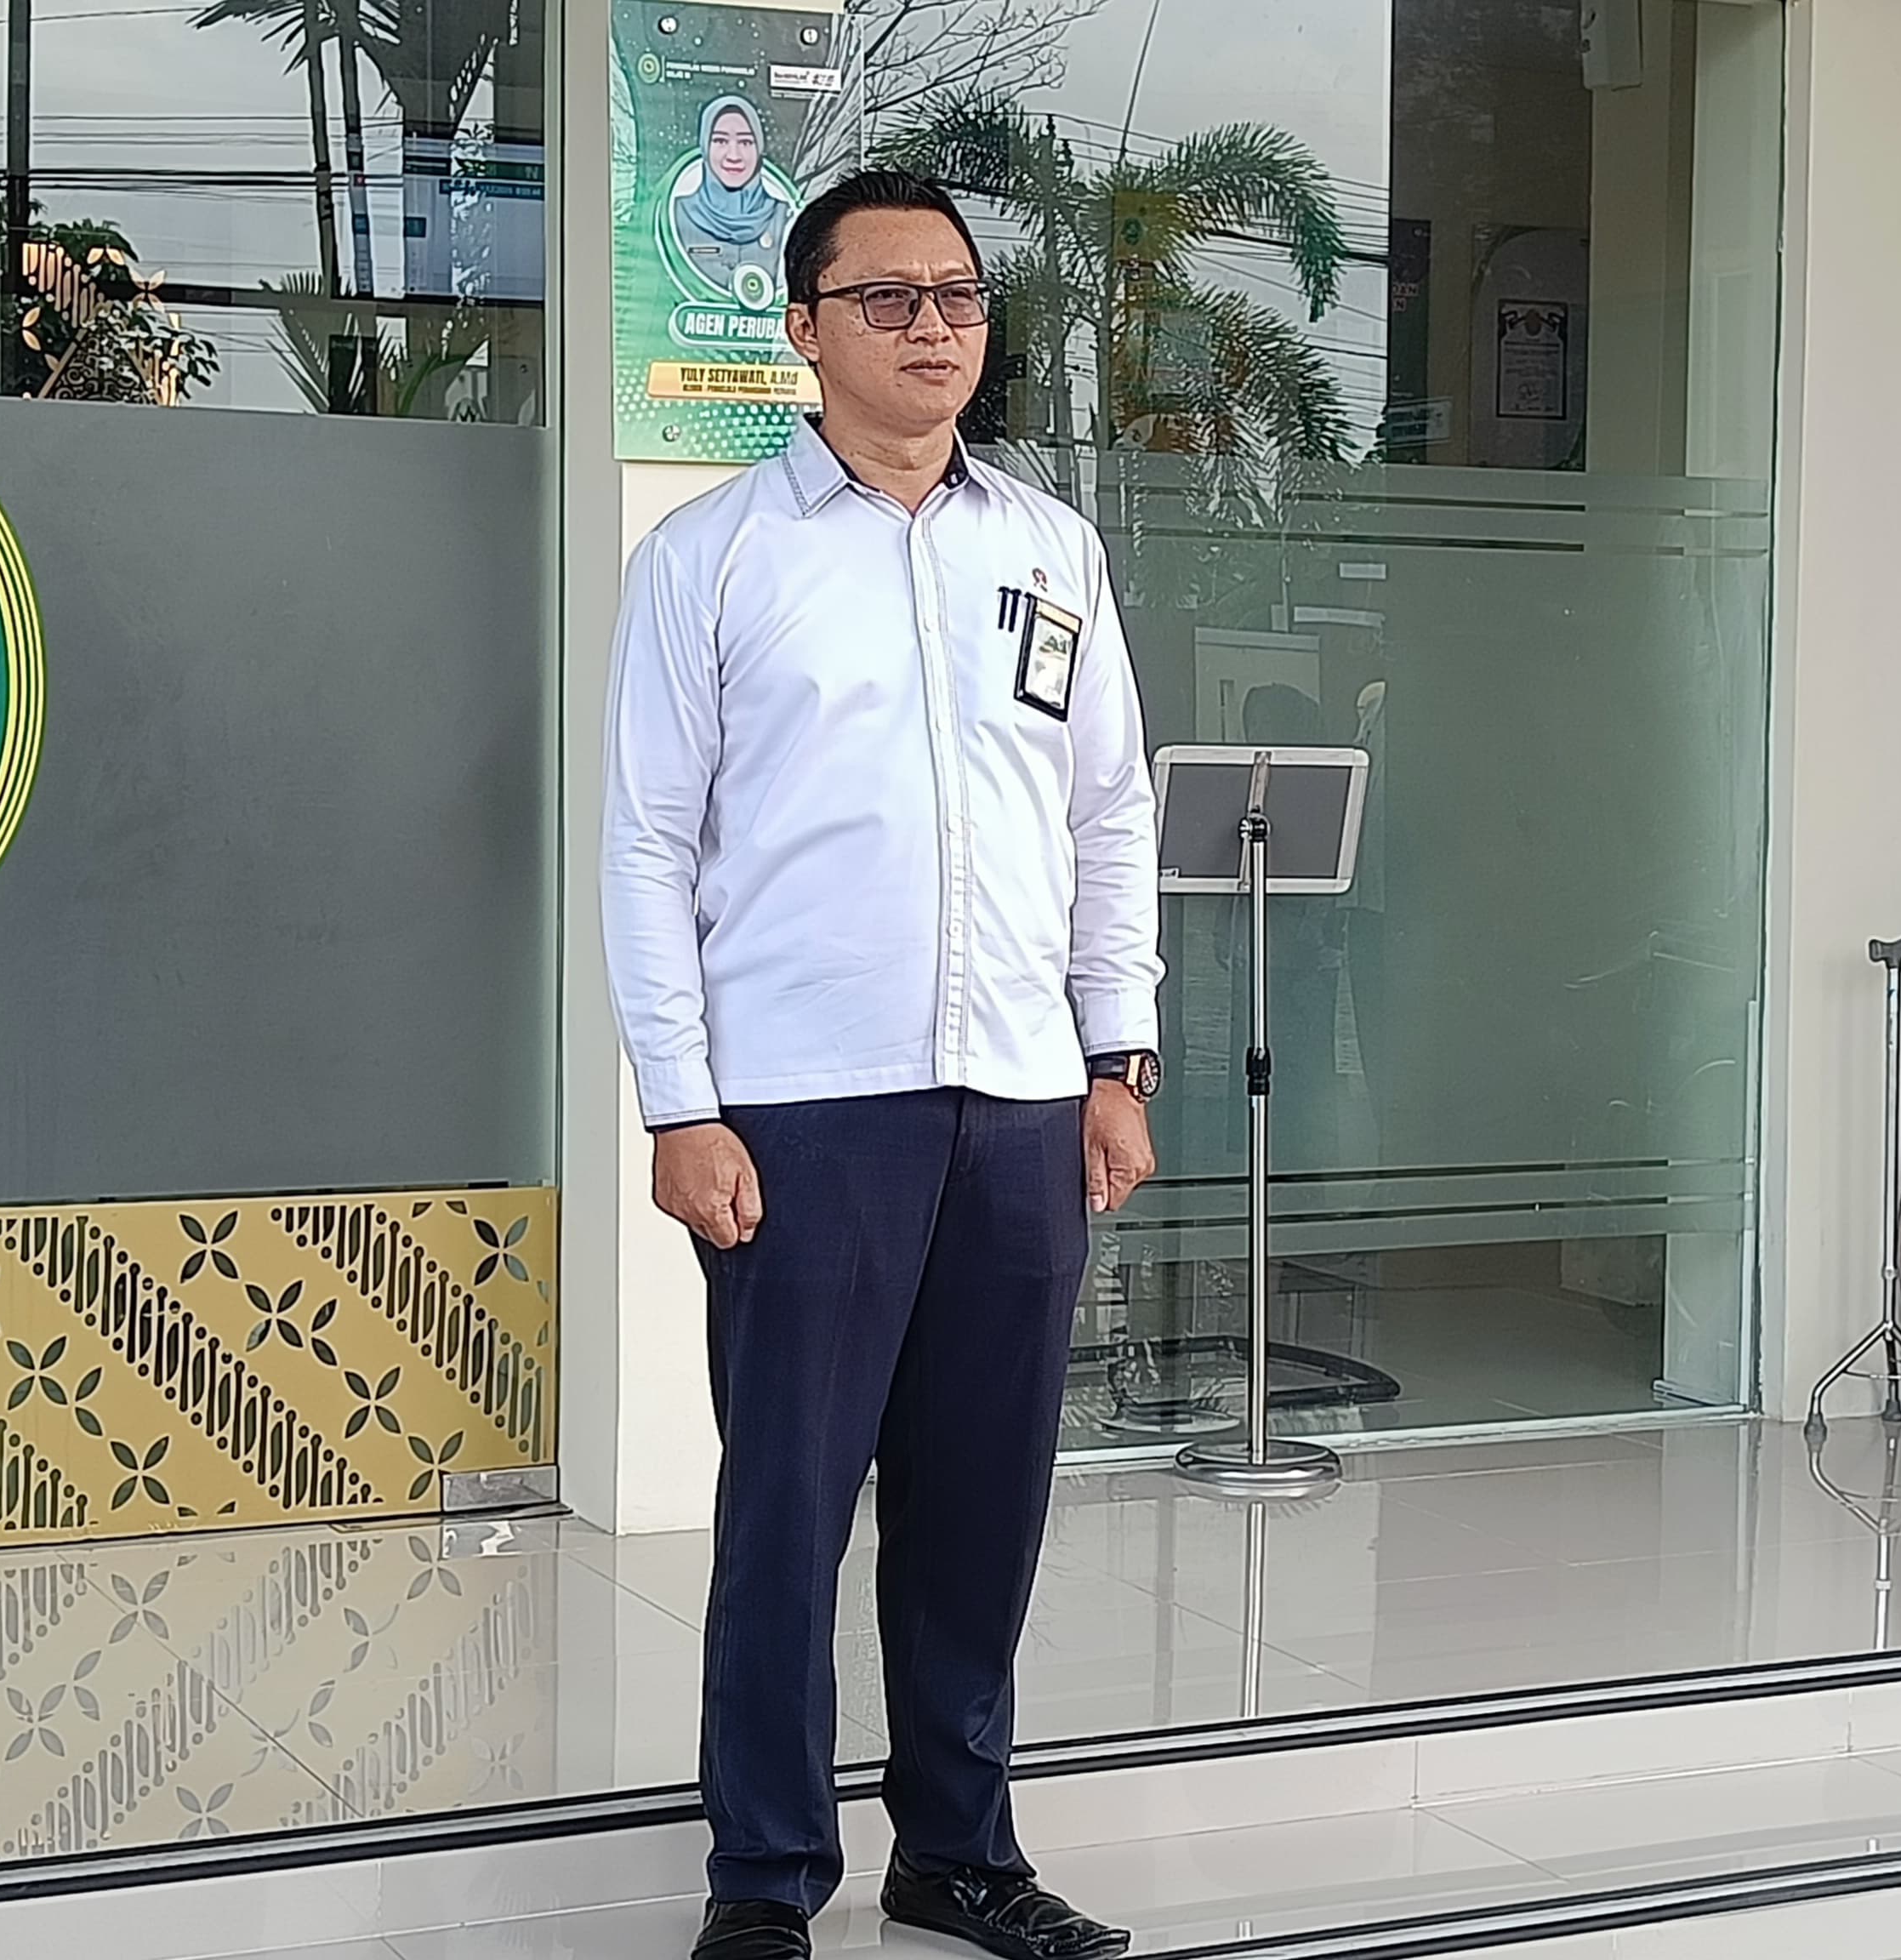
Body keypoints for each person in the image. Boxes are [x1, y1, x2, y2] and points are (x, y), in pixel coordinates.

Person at [603, 168, 1162, 1960]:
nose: (934, 325)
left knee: (980, 1503)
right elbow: (644, 843)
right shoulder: (711, 556)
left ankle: (959, 1853)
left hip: (1019, 1097)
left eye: (959, 295)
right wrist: (679, 1101)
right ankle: (765, 1874)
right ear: (805, 327)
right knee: (785, 1508)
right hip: (801, 1108)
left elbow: (1107, 813)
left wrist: (1116, 1053)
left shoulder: (1048, 549)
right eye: (889, 296)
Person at [671, 95, 794, 307]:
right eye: (720, 141)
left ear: (759, 148)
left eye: (746, 142)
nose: (734, 155)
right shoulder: (678, 215)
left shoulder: (785, 219)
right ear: (705, 146)